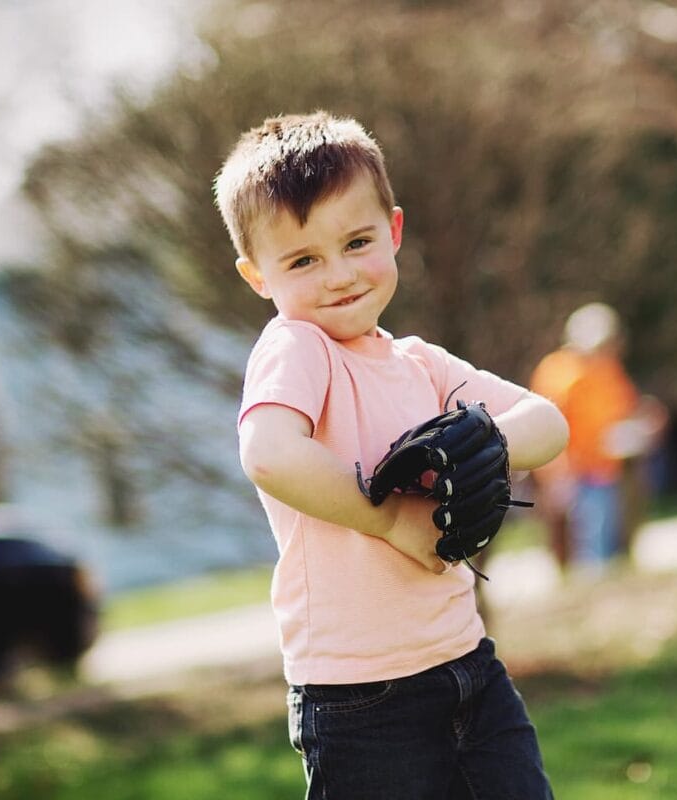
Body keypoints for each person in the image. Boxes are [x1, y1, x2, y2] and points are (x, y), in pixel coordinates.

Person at [213, 111, 568, 799]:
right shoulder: (298, 348)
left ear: (394, 231)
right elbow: (268, 454)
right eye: (303, 260)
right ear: (257, 276)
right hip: (359, 698)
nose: (339, 274)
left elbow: (547, 421)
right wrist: (390, 520)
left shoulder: (420, 364)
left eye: (357, 242)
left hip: (468, 666)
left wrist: (484, 446)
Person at [530, 302, 666, 574]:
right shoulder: (558, 372)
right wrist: (556, 473)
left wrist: (643, 422)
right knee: (589, 539)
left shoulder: (607, 368)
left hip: (609, 466)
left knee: (615, 532)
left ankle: (610, 574)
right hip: (576, 471)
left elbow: (625, 406)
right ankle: (593, 579)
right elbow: (545, 424)